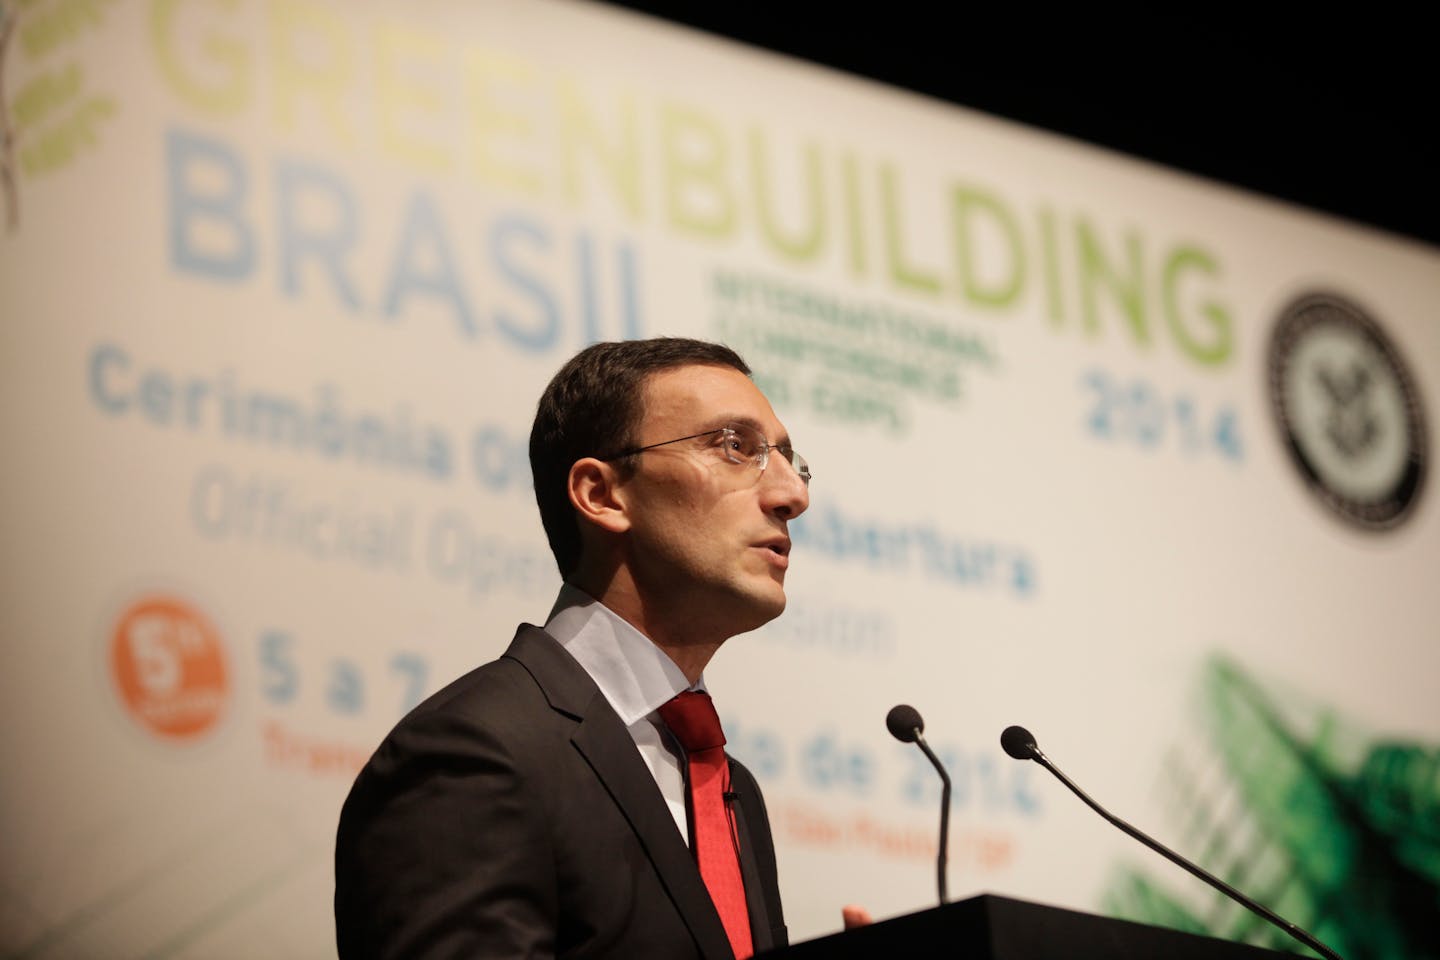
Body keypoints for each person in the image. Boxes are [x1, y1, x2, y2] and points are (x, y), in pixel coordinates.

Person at [335, 338, 813, 959]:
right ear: (601, 495)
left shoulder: (729, 785)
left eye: (789, 460)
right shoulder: (474, 755)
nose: (792, 495)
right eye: (735, 447)